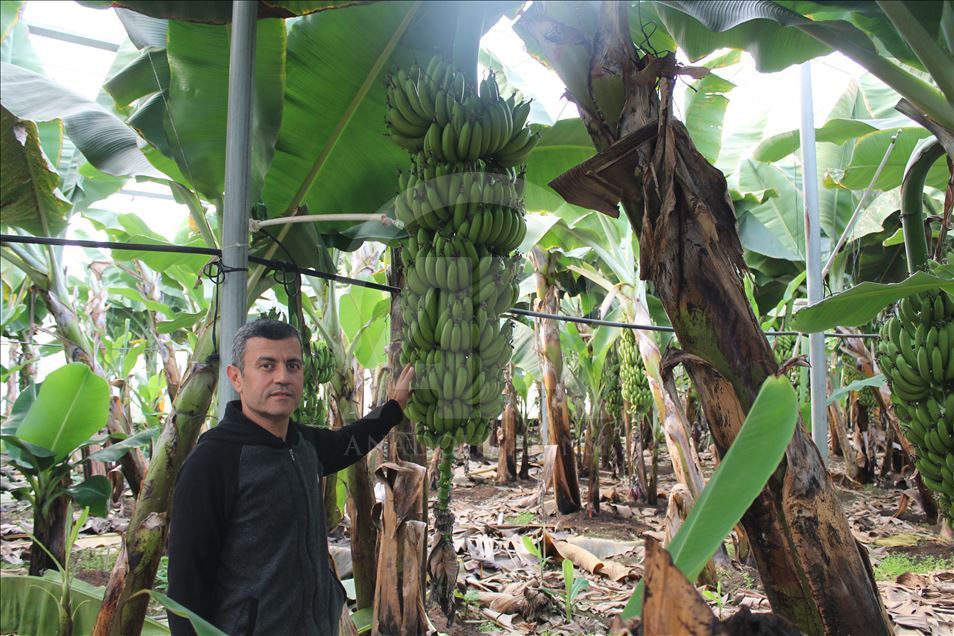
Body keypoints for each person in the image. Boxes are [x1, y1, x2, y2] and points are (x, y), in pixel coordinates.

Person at [167, 318, 414, 635]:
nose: (282, 377)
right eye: (267, 366)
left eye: (292, 365)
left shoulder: (302, 444)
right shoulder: (213, 462)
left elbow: (350, 443)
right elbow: (186, 587)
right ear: (237, 378)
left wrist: (393, 407)